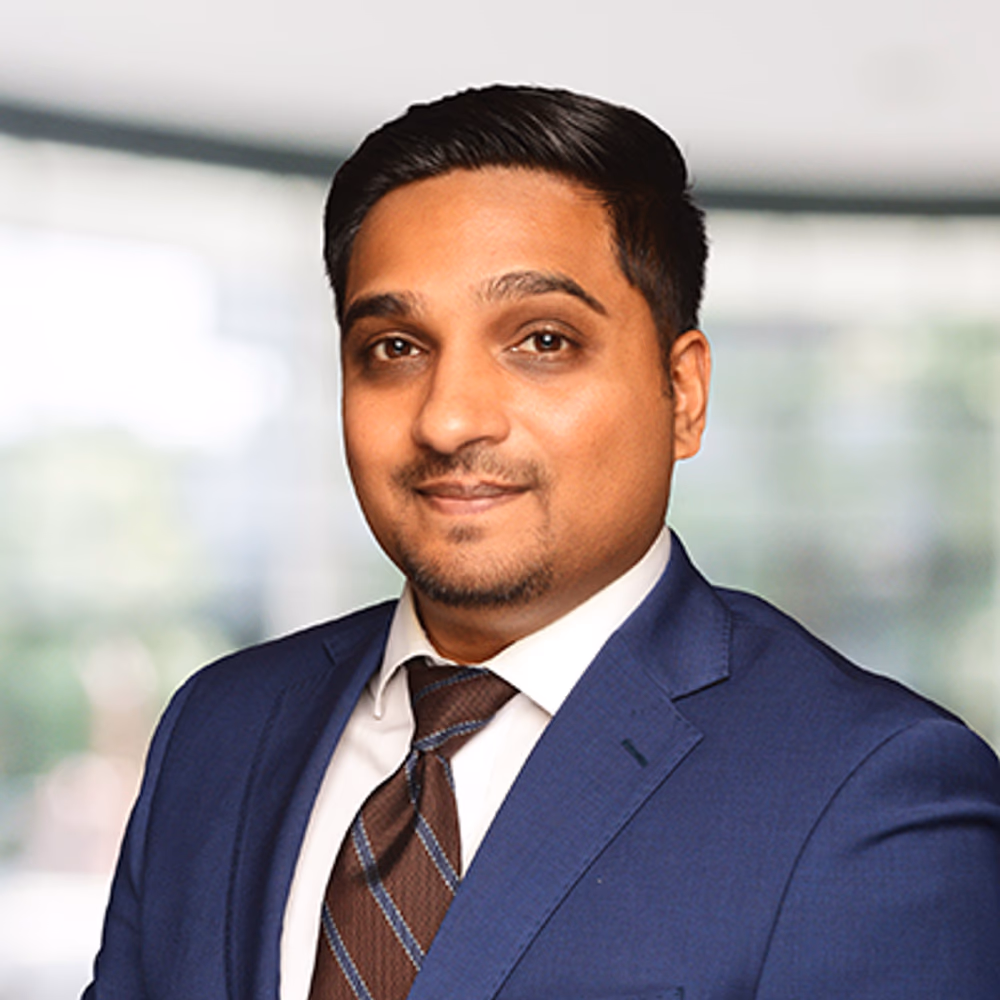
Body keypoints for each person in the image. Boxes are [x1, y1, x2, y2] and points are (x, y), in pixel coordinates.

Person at [85, 86, 1000, 1000]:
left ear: (683, 394)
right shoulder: (219, 729)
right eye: (395, 348)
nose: (448, 419)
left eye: (543, 341)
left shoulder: (873, 791)